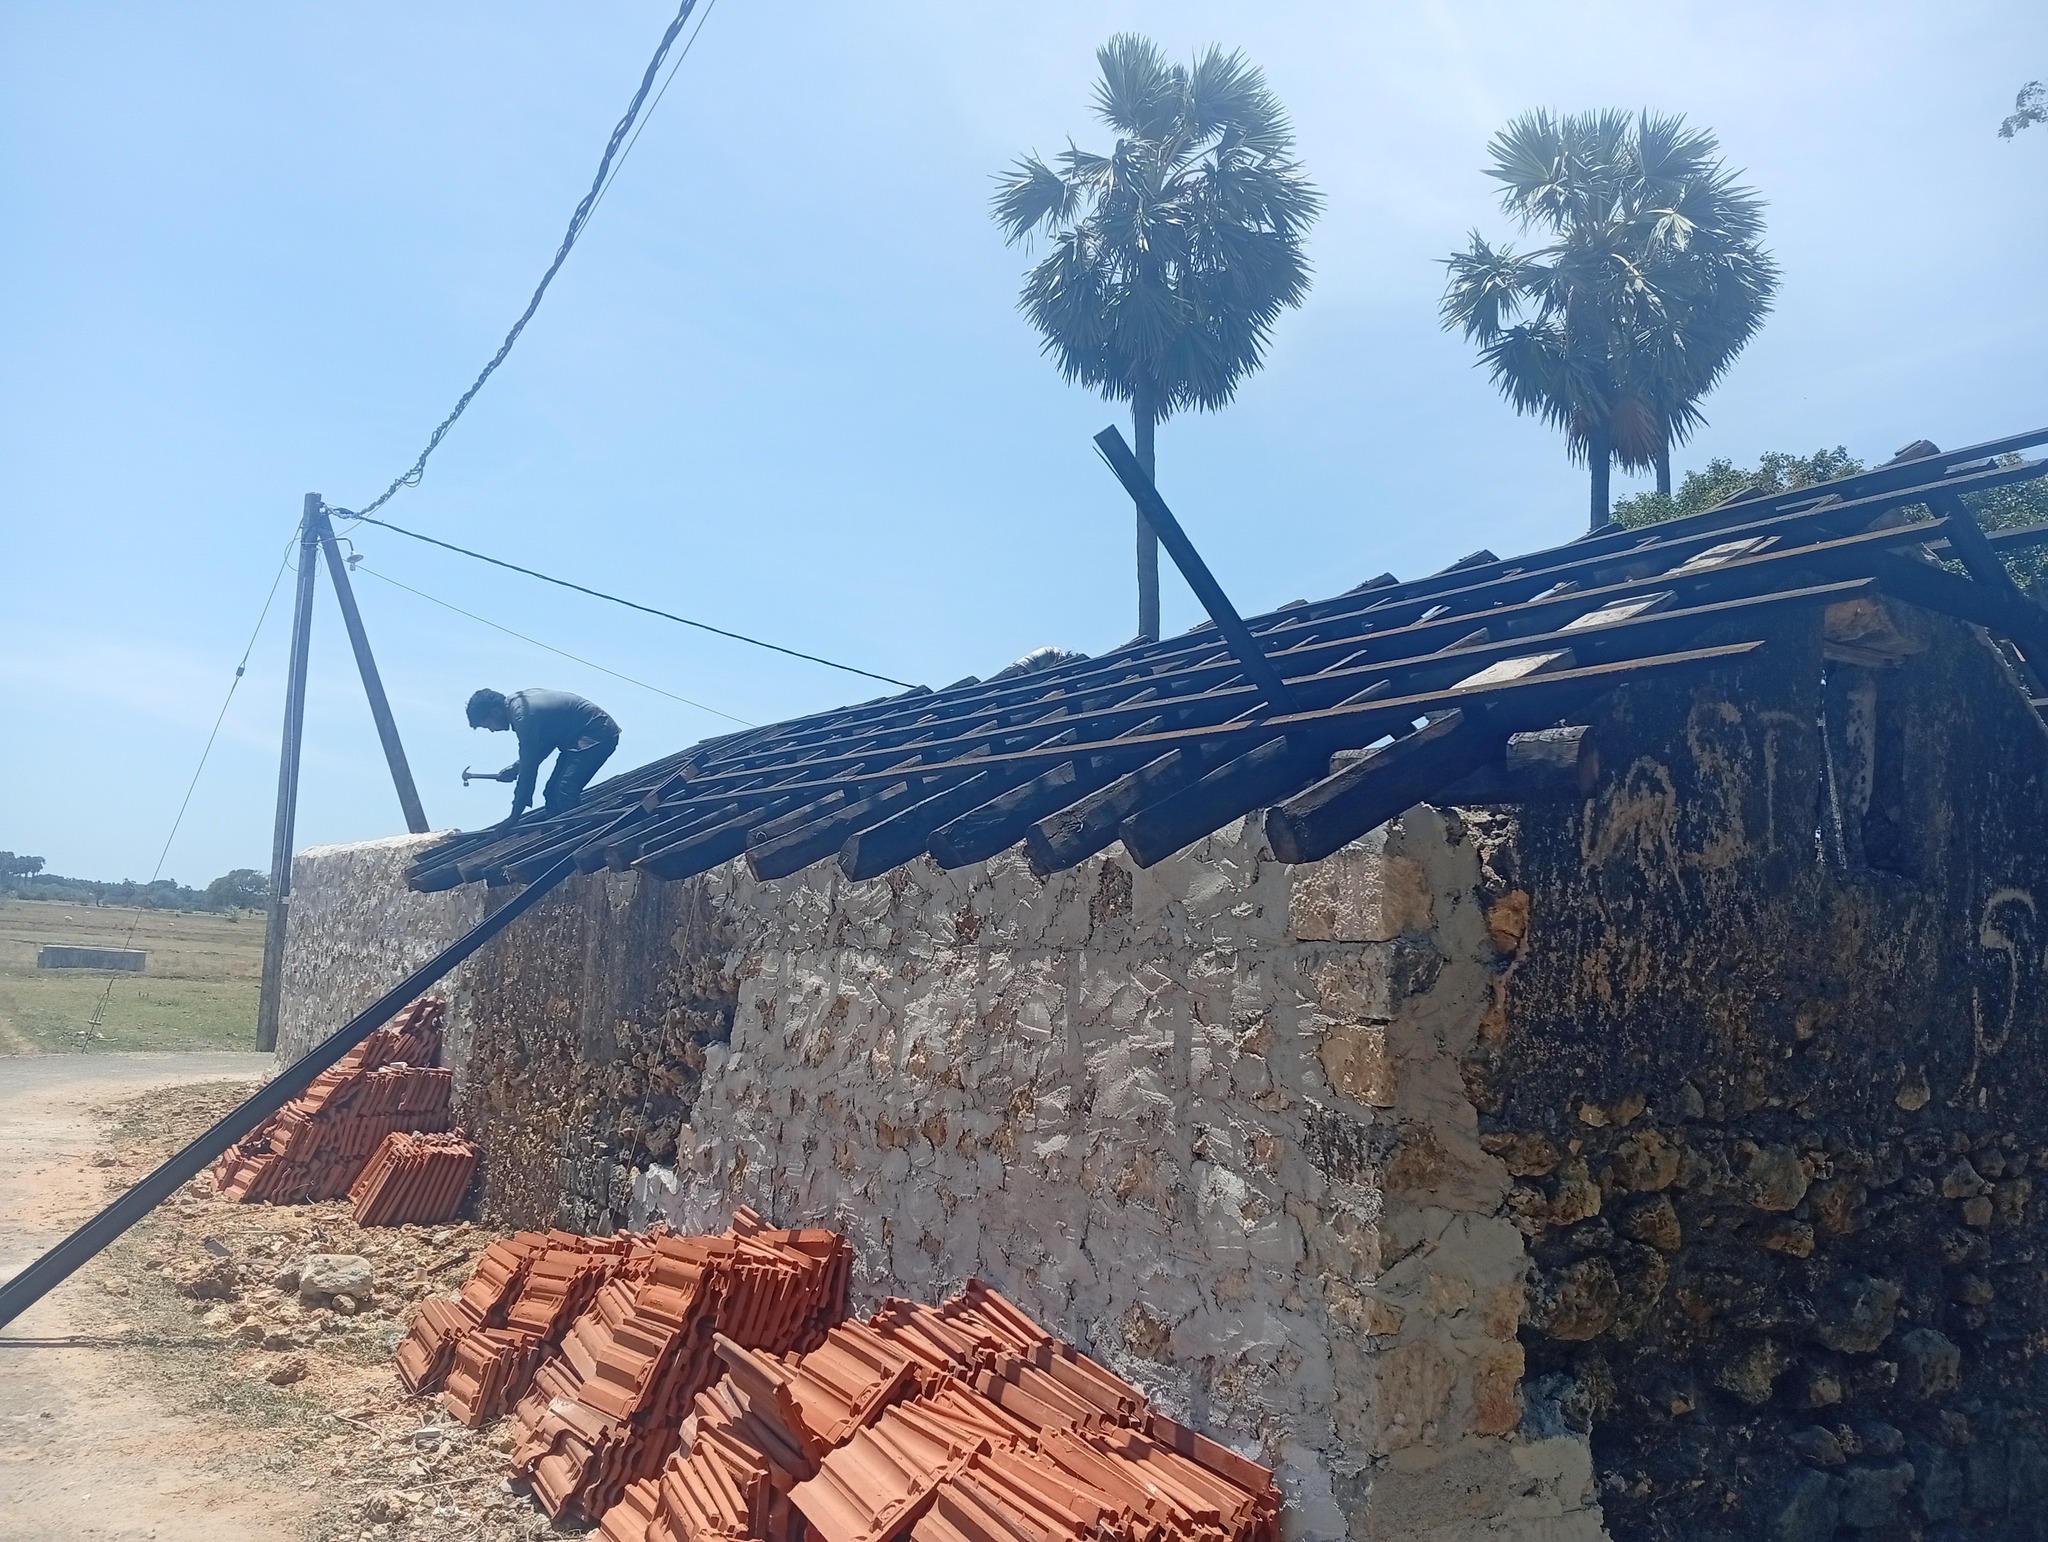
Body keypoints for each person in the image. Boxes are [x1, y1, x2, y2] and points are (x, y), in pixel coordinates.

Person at [465, 687, 620, 829]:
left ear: (495, 712)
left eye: (488, 725)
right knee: (551, 793)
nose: (492, 730)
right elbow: (544, 746)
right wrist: (516, 768)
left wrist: (514, 815)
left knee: (564, 791)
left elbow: (529, 768)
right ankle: (560, 834)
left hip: (597, 733)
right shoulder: (518, 704)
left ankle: (580, 835)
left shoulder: (523, 716)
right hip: (579, 739)